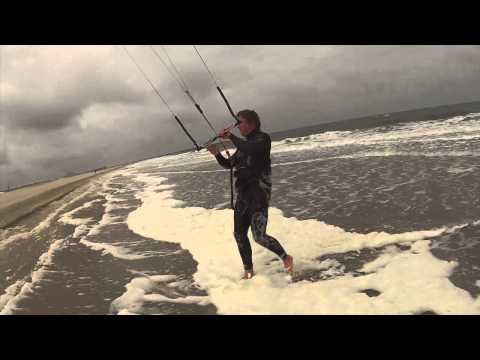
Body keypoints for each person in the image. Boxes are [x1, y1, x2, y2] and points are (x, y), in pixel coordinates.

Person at [207, 109, 293, 280]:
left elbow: (251, 149)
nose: (238, 127)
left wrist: (231, 137)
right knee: (239, 234)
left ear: (252, 123)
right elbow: (229, 164)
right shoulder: (242, 146)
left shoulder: (262, 139)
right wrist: (217, 154)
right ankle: (248, 269)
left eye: (240, 123)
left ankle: (285, 257)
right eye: (237, 124)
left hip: (258, 194)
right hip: (243, 195)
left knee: (259, 236)